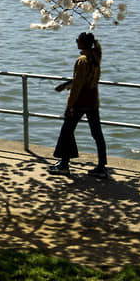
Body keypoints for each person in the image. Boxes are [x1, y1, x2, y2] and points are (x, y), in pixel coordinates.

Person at [49, 32, 108, 178]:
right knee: (97, 134)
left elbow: (78, 86)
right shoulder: (96, 58)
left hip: (80, 102)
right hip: (93, 101)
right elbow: (81, 80)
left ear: (83, 43)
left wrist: (69, 106)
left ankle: (64, 164)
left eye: (78, 40)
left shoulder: (82, 60)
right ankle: (101, 167)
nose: (76, 41)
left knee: (67, 131)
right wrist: (65, 85)